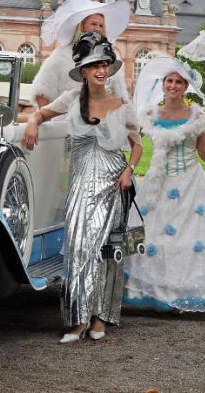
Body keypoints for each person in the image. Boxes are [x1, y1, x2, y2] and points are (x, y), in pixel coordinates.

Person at [22, 32, 143, 343]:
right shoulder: (72, 100)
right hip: (79, 185)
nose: (101, 70)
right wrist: (33, 124)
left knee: (107, 250)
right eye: (94, 65)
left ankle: (101, 318)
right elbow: (40, 111)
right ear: (84, 71)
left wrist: (129, 170)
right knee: (77, 249)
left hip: (113, 181)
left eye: (105, 64)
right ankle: (77, 319)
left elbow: (137, 145)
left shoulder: (121, 104)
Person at [123, 57, 205, 312]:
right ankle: (155, 291)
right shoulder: (149, 115)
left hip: (190, 185)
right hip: (157, 183)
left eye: (178, 82)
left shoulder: (196, 115)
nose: (173, 86)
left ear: (185, 86)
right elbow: (133, 142)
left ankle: (189, 291)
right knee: (150, 234)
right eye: (169, 81)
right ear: (163, 85)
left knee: (191, 238)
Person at [32, 0, 131, 109]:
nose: (98, 29)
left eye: (101, 25)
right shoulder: (61, 55)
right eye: (93, 24)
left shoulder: (111, 56)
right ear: (82, 26)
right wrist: (47, 121)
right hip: (65, 121)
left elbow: (120, 94)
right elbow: (42, 92)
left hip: (101, 121)